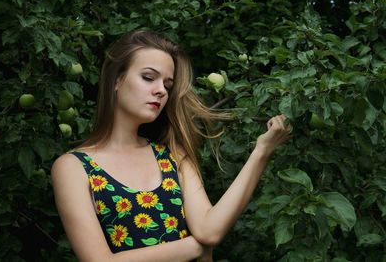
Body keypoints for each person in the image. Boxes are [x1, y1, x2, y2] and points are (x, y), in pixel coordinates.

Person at [51, 30, 292, 262]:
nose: (160, 91)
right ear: (117, 80)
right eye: (148, 77)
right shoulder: (74, 168)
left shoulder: (172, 157)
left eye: (167, 85)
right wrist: (193, 247)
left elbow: (210, 231)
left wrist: (262, 151)